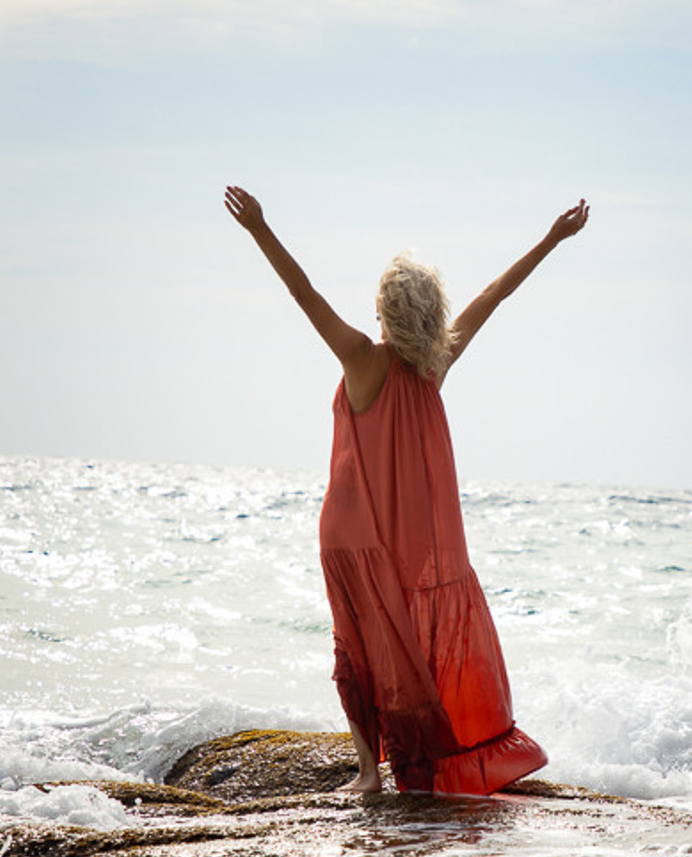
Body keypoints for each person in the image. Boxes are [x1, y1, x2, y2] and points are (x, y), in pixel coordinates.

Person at [224, 186, 590, 794]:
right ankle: (413, 762)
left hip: (347, 532)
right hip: (412, 540)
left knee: (357, 640)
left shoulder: (361, 358)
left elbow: (303, 294)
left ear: (384, 312)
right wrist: (552, 239)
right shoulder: (434, 365)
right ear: (431, 313)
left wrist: (260, 228)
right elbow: (494, 296)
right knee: (408, 648)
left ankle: (370, 770)